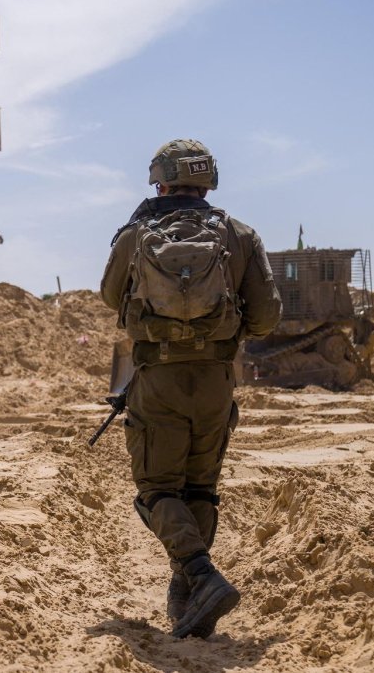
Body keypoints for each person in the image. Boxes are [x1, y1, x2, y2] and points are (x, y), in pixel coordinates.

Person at [100, 139, 282, 638]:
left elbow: (110, 296)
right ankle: (188, 597)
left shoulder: (136, 234)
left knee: (157, 490)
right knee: (200, 489)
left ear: (160, 180)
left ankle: (201, 579)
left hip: (157, 380)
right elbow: (266, 318)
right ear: (208, 182)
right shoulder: (240, 234)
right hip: (216, 382)